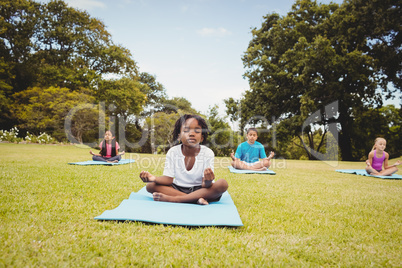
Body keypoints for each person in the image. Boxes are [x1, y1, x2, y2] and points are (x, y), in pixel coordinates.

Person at [139, 114, 228, 205]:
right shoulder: (173, 152)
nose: (192, 134)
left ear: (201, 138)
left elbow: (205, 185)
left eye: (197, 131)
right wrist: (153, 178)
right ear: (179, 137)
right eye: (186, 130)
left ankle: (176, 199)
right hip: (178, 188)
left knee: (222, 184)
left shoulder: (207, 153)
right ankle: (195, 199)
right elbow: (168, 179)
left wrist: (208, 180)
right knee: (150, 185)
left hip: (201, 189)